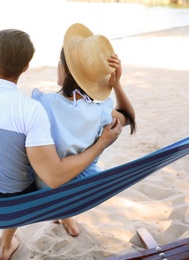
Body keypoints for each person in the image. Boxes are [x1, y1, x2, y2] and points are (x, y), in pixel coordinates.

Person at [0, 29, 121, 260]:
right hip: (15, 206)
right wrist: (100, 145)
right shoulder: (30, 110)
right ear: (26, 67)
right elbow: (54, 176)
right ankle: (5, 244)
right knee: (21, 163)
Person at [32, 23, 136, 237]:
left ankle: (63, 214)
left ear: (64, 69)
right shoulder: (101, 113)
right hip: (78, 189)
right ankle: (67, 214)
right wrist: (116, 84)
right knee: (76, 171)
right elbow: (128, 117)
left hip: (42, 185)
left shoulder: (43, 103)